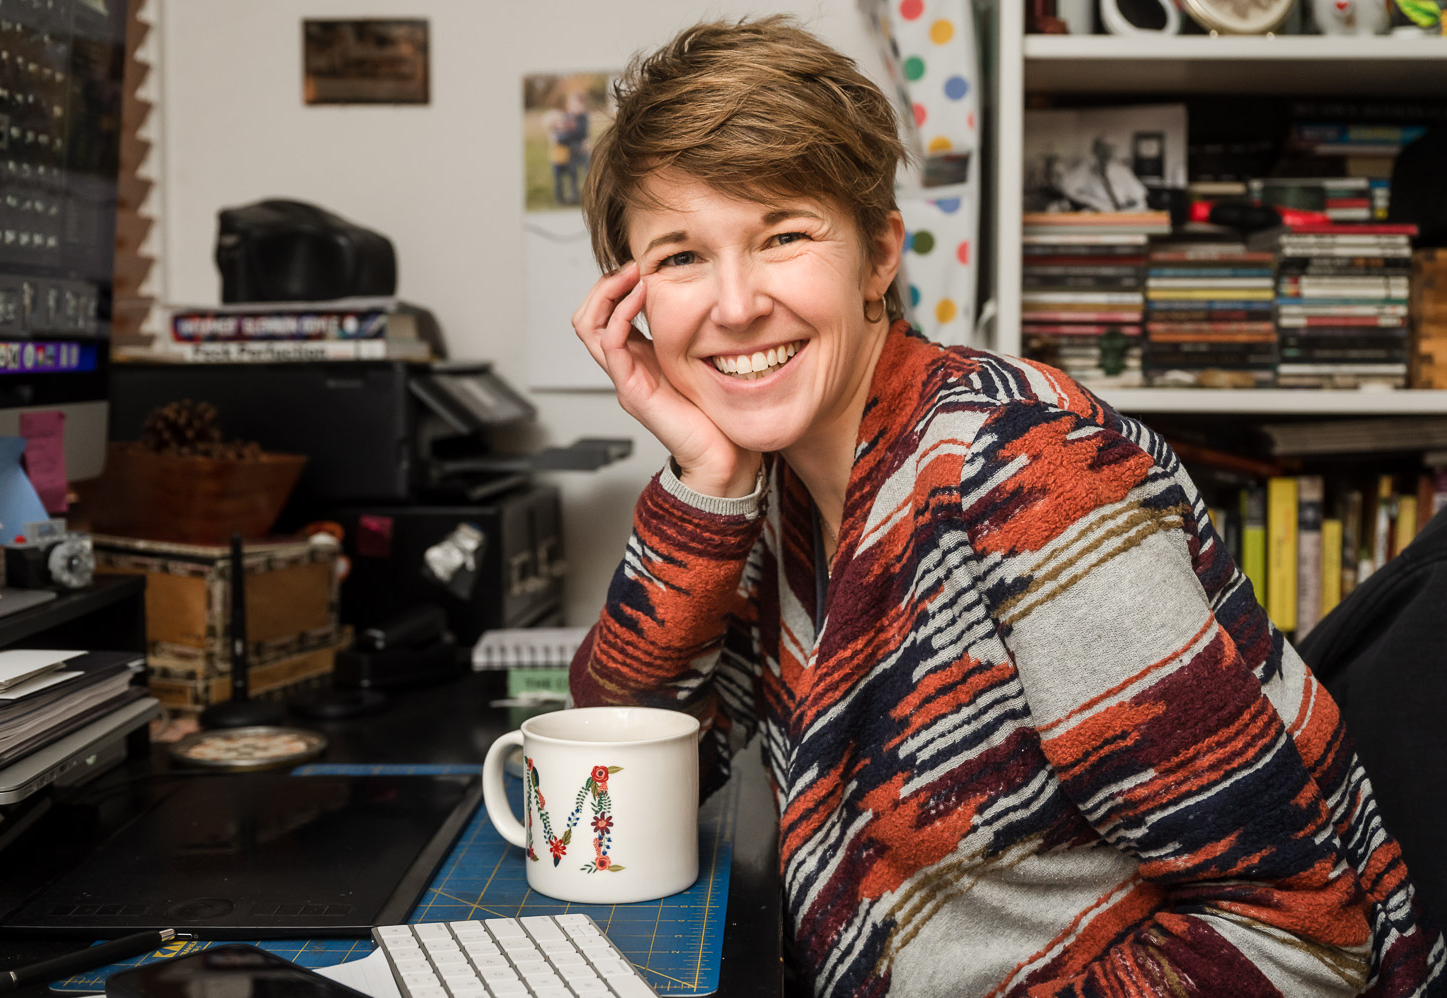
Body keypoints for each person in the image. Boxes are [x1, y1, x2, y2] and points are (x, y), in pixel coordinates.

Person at [568, 16, 1444, 998]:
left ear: (878, 254)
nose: (733, 305)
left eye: (783, 235)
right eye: (682, 256)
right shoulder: (767, 486)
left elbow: (1300, 936)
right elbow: (613, 771)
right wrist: (702, 483)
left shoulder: (1021, 474)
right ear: (632, 299)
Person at [1058, 135, 1148, 212]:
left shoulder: (1123, 171)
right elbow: (1067, 190)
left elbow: (1140, 197)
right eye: (1103, 148)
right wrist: (1092, 202)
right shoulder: (1083, 169)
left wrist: (1128, 206)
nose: (1107, 152)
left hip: (1125, 215)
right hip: (1098, 216)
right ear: (1095, 149)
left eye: (1111, 148)